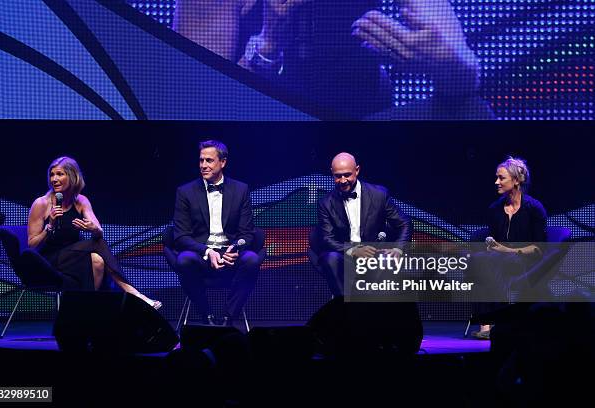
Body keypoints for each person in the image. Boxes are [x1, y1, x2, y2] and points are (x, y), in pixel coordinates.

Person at [172, 0, 494, 120]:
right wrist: (267, 45)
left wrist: (446, 65)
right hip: (261, 132)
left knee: (472, 111)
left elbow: (466, 73)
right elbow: (195, 108)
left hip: (360, 129)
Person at [27, 157, 161, 309]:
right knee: (97, 245)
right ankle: (134, 294)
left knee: (97, 259)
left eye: (60, 174)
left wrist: (93, 228)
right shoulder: (42, 203)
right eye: (52, 175)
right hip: (50, 260)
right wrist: (49, 226)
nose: (54, 179)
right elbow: (32, 245)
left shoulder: (81, 201)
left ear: (72, 176)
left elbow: (98, 232)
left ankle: (91, 309)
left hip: (75, 257)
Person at [173, 140, 261, 326]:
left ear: (223, 162)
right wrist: (207, 251)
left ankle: (229, 319)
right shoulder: (185, 192)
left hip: (230, 256)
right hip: (201, 256)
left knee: (252, 259)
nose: (203, 165)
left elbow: (247, 233)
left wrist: (235, 248)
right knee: (184, 259)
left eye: (209, 160)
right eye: (201, 160)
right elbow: (180, 236)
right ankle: (207, 316)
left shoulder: (240, 190)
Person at [314, 152, 412, 296]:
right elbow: (327, 238)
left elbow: (404, 223)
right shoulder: (325, 203)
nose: (342, 180)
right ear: (332, 173)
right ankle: (343, 307)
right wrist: (353, 250)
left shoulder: (379, 194)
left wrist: (398, 249)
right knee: (330, 258)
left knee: (387, 263)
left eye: (347, 175)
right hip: (344, 255)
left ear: (357, 170)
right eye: (338, 176)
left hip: (374, 254)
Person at [471, 156, 547, 339]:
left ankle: (502, 321)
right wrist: (492, 248)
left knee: (497, 263)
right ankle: (487, 324)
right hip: (499, 259)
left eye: (501, 178)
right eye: (497, 177)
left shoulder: (534, 208)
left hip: (528, 261)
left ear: (517, 180)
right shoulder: (495, 209)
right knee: (480, 260)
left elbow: (540, 249)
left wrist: (507, 251)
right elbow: (494, 243)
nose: (496, 182)